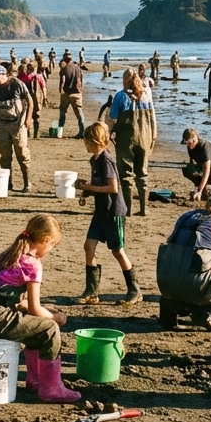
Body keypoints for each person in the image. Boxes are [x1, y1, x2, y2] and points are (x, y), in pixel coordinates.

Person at [0, 214, 80, 403]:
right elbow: (34, 309)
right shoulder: (32, 264)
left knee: (35, 326)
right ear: (46, 240)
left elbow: (14, 300)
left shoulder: (8, 255)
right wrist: (55, 318)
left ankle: (35, 380)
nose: (51, 249)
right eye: (53, 245)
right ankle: (51, 389)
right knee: (49, 329)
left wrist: (41, 311)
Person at [74, 122, 142, 304]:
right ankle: (92, 291)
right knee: (89, 246)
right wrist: (85, 188)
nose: (85, 144)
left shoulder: (106, 159)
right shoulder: (94, 160)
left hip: (114, 211)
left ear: (94, 141)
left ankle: (134, 290)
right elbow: (99, 184)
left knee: (117, 250)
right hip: (101, 210)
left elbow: (113, 188)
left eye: (86, 141)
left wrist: (88, 187)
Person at [156, 205, 211, 331]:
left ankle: (168, 310)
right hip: (195, 287)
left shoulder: (186, 216)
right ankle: (204, 311)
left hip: (166, 284)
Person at [110, 68, 157, 216]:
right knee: (142, 173)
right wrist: (154, 136)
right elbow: (153, 117)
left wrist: (110, 133)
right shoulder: (147, 94)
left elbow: (113, 118)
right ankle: (144, 209)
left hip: (126, 139)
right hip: (145, 137)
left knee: (126, 174)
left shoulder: (120, 97)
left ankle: (128, 209)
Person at [0, 64, 34, 191]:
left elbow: (30, 101)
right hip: (2, 125)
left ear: (4, 74)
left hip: (18, 125)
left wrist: (28, 119)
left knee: (22, 154)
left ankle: (27, 183)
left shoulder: (17, 84)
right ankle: (7, 183)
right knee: (5, 156)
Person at [180, 127, 211, 200]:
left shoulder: (204, 147)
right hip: (203, 166)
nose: (188, 146)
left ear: (194, 139)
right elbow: (192, 161)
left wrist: (200, 190)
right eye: (186, 144)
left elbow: (207, 170)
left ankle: (209, 187)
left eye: (189, 143)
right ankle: (200, 187)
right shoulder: (190, 146)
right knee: (188, 169)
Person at [57, 54, 86, 139]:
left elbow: (62, 80)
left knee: (62, 113)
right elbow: (81, 79)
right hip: (77, 93)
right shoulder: (78, 68)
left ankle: (60, 132)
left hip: (66, 93)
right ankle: (82, 131)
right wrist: (81, 89)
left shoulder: (64, 69)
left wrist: (60, 89)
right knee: (79, 113)